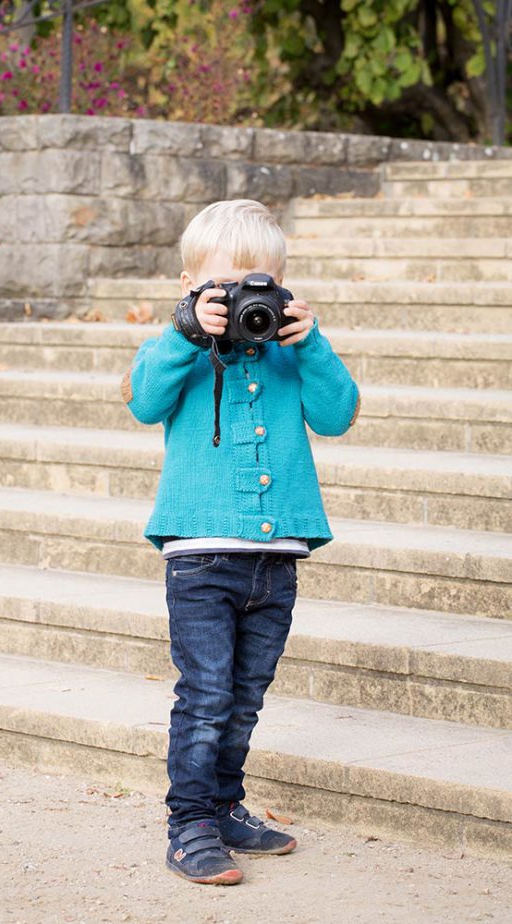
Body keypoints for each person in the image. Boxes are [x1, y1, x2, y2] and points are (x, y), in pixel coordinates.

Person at [120, 199, 360, 885]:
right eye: (223, 287)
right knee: (206, 695)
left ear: (280, 286)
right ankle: (188, 824)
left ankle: (225, 806)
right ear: (193, 285)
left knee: (247, 694)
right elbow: (142, 401)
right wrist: (186, 333)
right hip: (200, 557)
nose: (241, 300)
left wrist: (310, 341)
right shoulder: (180, 345)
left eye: (259, 284)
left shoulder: (289, 352)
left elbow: (338, 414)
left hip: (276, 557)